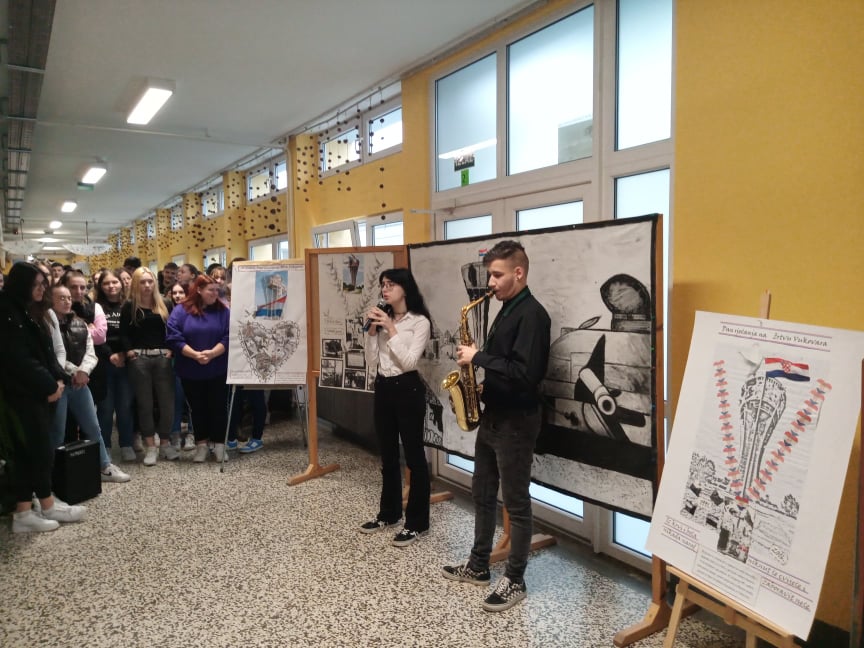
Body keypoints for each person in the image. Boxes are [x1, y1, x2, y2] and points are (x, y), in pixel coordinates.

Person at [442, 240, 551, 612]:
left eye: (497, 275)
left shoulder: (532, 315)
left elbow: (526, 373)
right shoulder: (506, 308)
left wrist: (478, 357)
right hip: (494, 415)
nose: (490, 282)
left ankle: (515, 579)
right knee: (483, 493)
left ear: (518, 273)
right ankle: (477, 565)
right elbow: (506, 367)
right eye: (490, 274)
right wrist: (481, 387)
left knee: (516, 504)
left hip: (517, 421)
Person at [0, 262, 86, 532]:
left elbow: (46, 353)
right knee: (32, 451)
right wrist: (49, 385)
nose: (40, 290)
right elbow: (19, 360)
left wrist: (58, 378)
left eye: (43, 285)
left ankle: (36, 505)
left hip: (35, 392)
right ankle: (32, 509)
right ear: (21, 285)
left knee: (37, 450)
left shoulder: (28, 310)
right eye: (36, 285)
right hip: (21, 395)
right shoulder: (8, 312)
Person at [360, 268, 432, 547]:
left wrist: (391, 329)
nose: (385, 290)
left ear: (405, 288)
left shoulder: (419, 322)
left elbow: (410, 362)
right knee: (387, 455)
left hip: (408, 389)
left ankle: (417, 523)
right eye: (383, 285)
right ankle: (388, 514)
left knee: (414, 457)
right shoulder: (382, 318)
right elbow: (371, 361)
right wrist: (371, 332)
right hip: (384, 387)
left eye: (391, 285)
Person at [47, 283, 130, 483]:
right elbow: (53, 355)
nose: (67, 301)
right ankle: (49, 476)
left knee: (93, 427)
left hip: (80, 383)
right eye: (61, 298)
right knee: (57, 431)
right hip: (59, 383)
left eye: (68, 298)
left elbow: (91, 352)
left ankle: (104, 466)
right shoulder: (45, 325)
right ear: (50, 300)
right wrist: (75, 371)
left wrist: (84, 371)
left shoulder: (80, 323)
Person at [166, 274, 231, 463]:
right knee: (197, 408)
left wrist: (212, 353)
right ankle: (201, 445)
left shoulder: (223, 311)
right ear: (199, 290)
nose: (215, 293)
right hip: (190, 369)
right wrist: (195, 355)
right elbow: (173, 336)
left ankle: (219, 445)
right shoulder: (181, 311)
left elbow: (229, 336)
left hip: (218, 367)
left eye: (217, 290)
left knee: (219, 407)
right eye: (211, 290)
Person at [120, 267, 178, 466]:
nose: (147, 285)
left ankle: (165, 443)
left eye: (150, 281)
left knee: (167, 403)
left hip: (163, 357)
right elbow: (123, 333)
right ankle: (151, 446)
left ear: (155, 283)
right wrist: (129, 351)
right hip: (140, 359)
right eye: (142, 282)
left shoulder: (165, 303)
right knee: (144, 404)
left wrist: (171, 349)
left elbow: (173, 329)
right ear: (136, 284)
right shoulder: (130, 306)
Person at [94, 270, 136, 461]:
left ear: (121, 284)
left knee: (125, 406)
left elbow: (133, 333)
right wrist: (110, 355)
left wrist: (124, 354)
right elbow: (95, 336)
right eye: (106, 283)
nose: (111, 286)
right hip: (104, 362)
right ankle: (106, 446)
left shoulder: (129, 305)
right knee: (105, 407)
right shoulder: (95, 307)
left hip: (126, 361)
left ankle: (126, 444)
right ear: (100, 287)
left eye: (114, 282)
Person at [166, 281, 195, 451]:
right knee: (176, 400)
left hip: (192, 360)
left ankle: (192, 433)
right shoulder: (166, 311)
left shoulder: (194, 312)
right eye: (174, 293)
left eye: (181, 292)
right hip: (173, 362)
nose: (177, 296)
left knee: (191, 400)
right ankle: (175, 434)